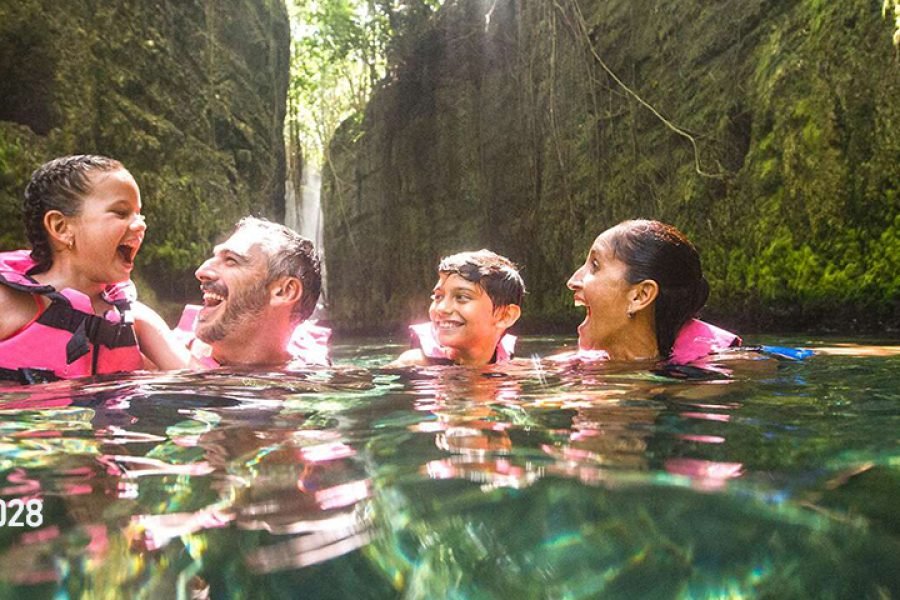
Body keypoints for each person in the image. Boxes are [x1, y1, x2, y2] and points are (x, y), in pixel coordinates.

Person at [0, 155, 189, 383]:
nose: (141, 224)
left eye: (139, 214)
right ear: (61, 227)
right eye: (121, 212)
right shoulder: (8, 303)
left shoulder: (136, 320)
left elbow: (201, 383)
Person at [563, 219, 740, 363]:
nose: (572, 281)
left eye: (595, 265)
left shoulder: (722, 369)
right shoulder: (576, 364)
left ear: (640, 295)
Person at [174, 216, 329, 368]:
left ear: (283, 291)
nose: (201, 271)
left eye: (231, 260)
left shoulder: (316, 378)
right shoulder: (162, 350)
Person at [391, 249, 525, 367]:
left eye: (461, 297)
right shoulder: (413, 365)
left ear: (505, 316)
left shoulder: (515, 366)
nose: (442, 308)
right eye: (438, 297)